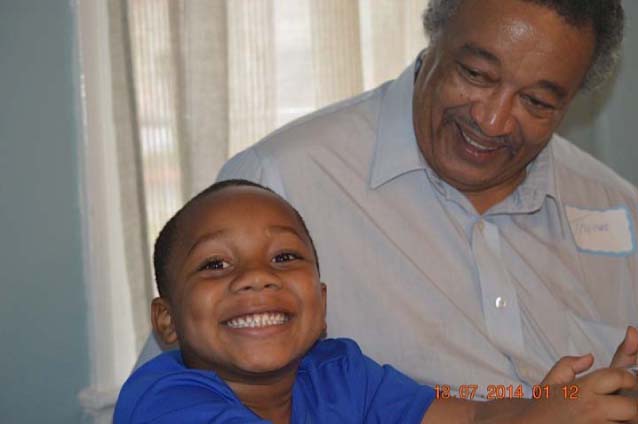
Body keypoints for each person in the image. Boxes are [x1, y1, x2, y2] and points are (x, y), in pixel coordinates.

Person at [216, 0, 638, 395]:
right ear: (435, 33)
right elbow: (202, 400)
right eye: (475, 74)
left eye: (536, 101)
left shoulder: (618, 205)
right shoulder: (281, 183)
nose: (493, 121)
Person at [115, 180, 637, 423]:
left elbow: (472, 418)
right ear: (167, 320)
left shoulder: (340, 374)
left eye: (284, 257)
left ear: (321, 305)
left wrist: (563, 405)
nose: (256, 277)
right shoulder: (166, 402)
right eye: (215, 264)